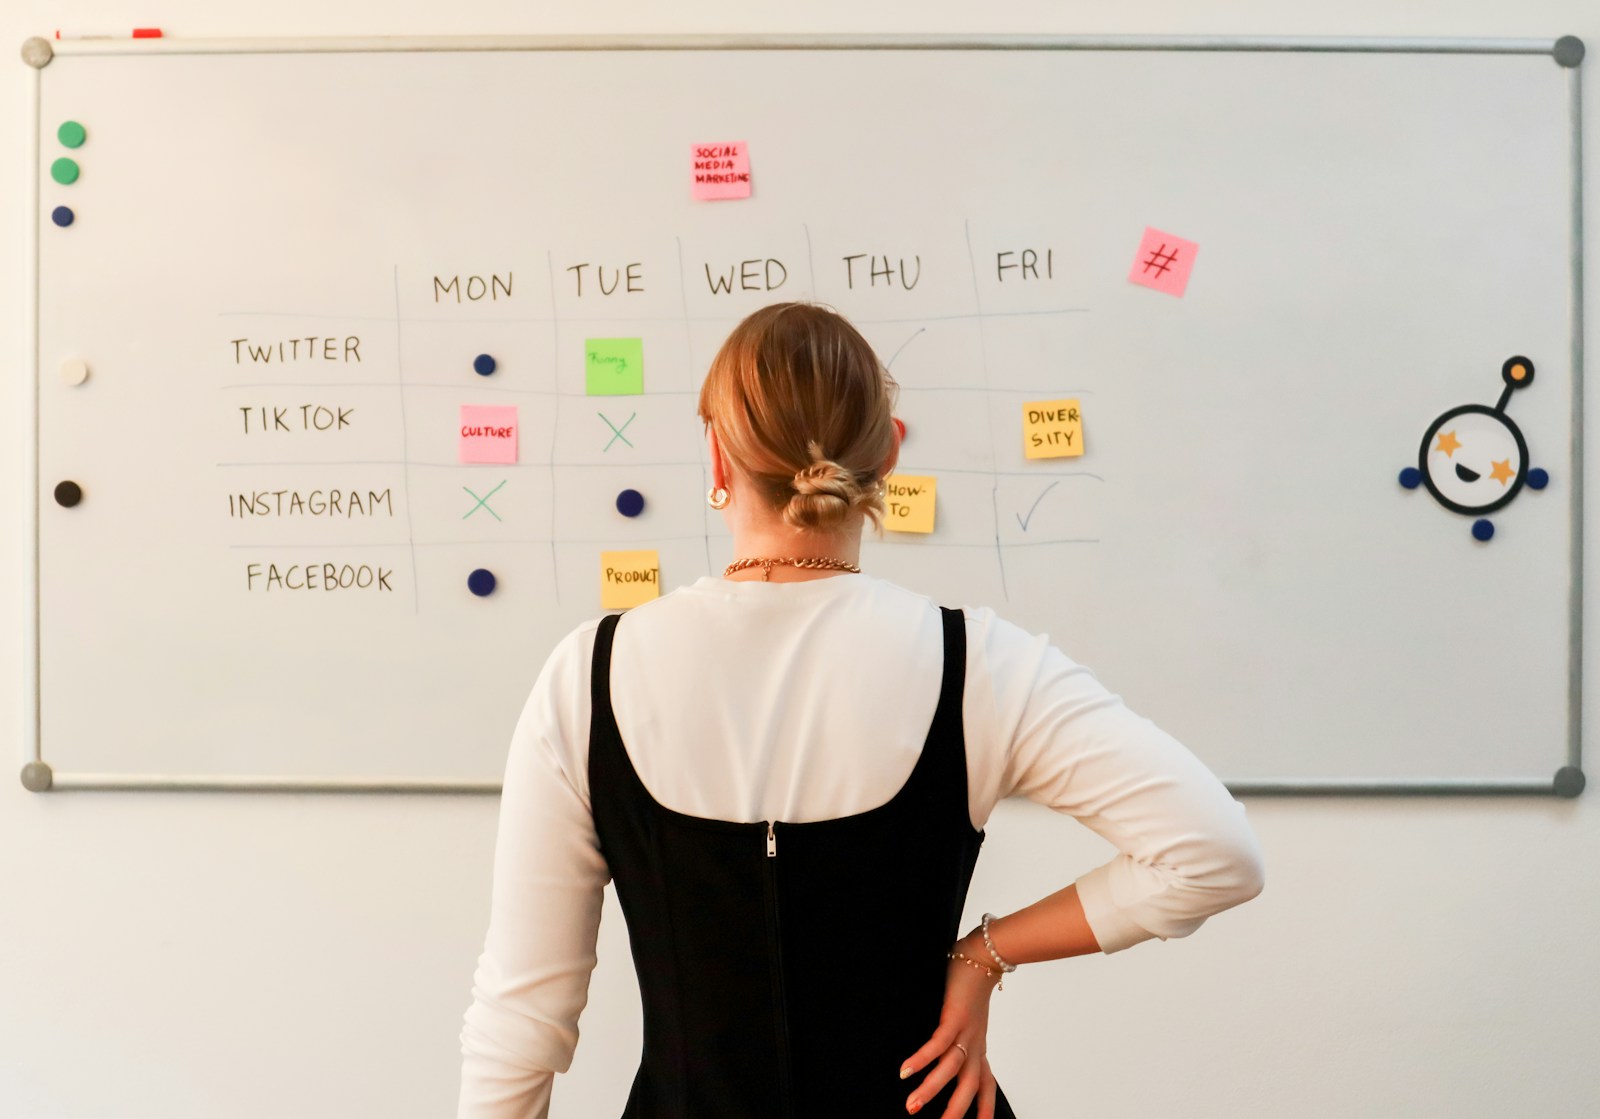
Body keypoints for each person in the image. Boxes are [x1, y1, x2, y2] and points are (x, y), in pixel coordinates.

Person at [457, 302, 1265, 1119]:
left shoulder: (585, 677)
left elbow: (521, 1021)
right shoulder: (980, 664)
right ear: (887, 452)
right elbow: (1215, 852)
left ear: (717, 456)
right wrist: (985, 951)